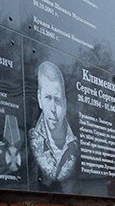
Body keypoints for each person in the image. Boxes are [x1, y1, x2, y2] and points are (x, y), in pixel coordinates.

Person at [29, 61, 79, 191]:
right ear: (39, 99)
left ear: (65, 103)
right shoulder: (29, 142)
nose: (52, 108)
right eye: (47, 98)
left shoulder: (77, 146)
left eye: (57, 100)